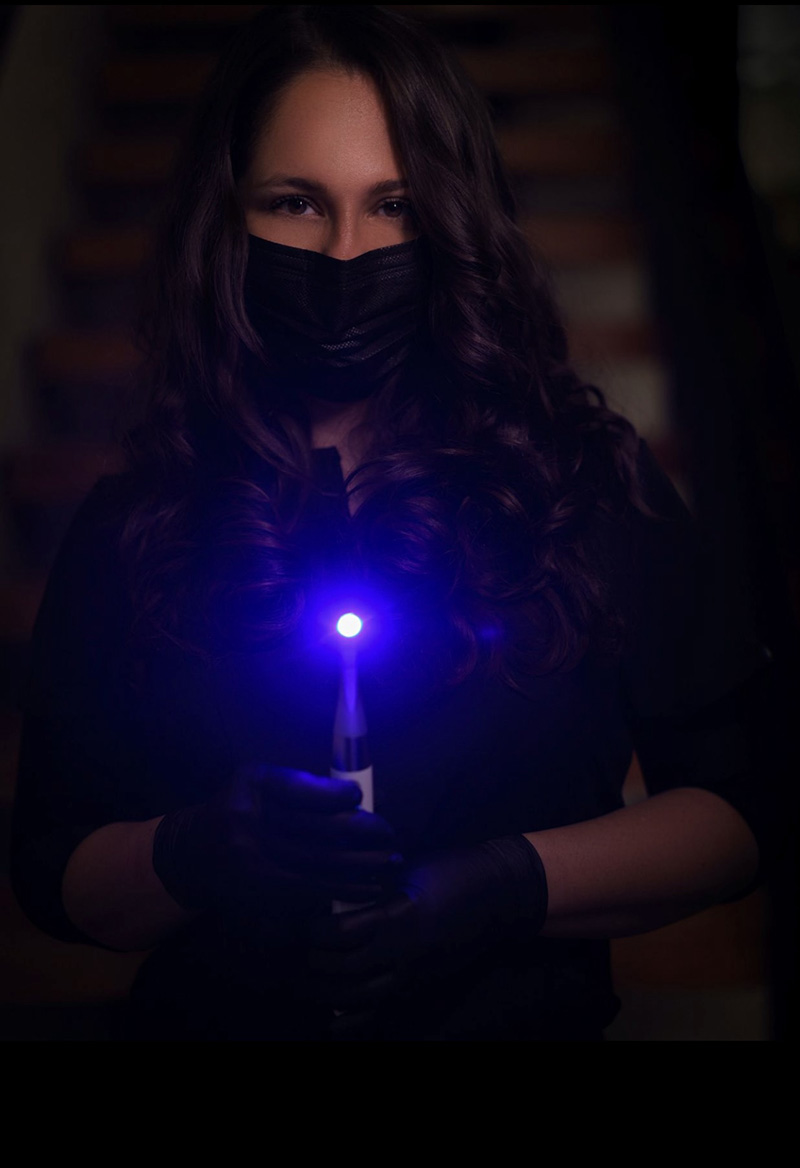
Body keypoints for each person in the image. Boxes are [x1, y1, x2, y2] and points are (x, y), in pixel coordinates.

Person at [10, 4, 784, 1042]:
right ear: (226, 217)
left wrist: (502, 883)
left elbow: (740, 807)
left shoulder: (576, 480)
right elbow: (52, 873)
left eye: (394, 206)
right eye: (294, 204)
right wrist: (194, 851)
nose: (344, 252)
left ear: (452, 221)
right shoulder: (138, 517)